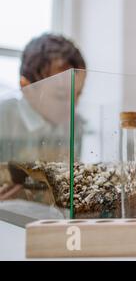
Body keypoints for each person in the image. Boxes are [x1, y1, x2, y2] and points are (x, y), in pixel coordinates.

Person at [0, 34, 86, 200]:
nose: (73, 105)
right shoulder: (4, 118)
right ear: (26, 87)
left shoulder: (75, 124)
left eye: (78, 94)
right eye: (62, 96)